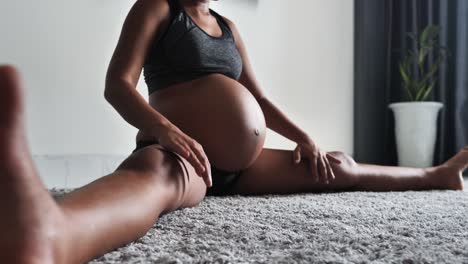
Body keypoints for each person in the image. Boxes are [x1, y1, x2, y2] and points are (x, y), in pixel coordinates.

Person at [0, 0, 466, 262]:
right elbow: (117, 85)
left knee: (335, 164)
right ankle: (54, 235)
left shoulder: (228, 27)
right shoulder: (157, 9)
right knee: (145, 189)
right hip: (182, 158)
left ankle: (434, 177)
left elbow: (259, 101)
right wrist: (165, 131)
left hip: (243, 169)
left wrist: (304, 135)